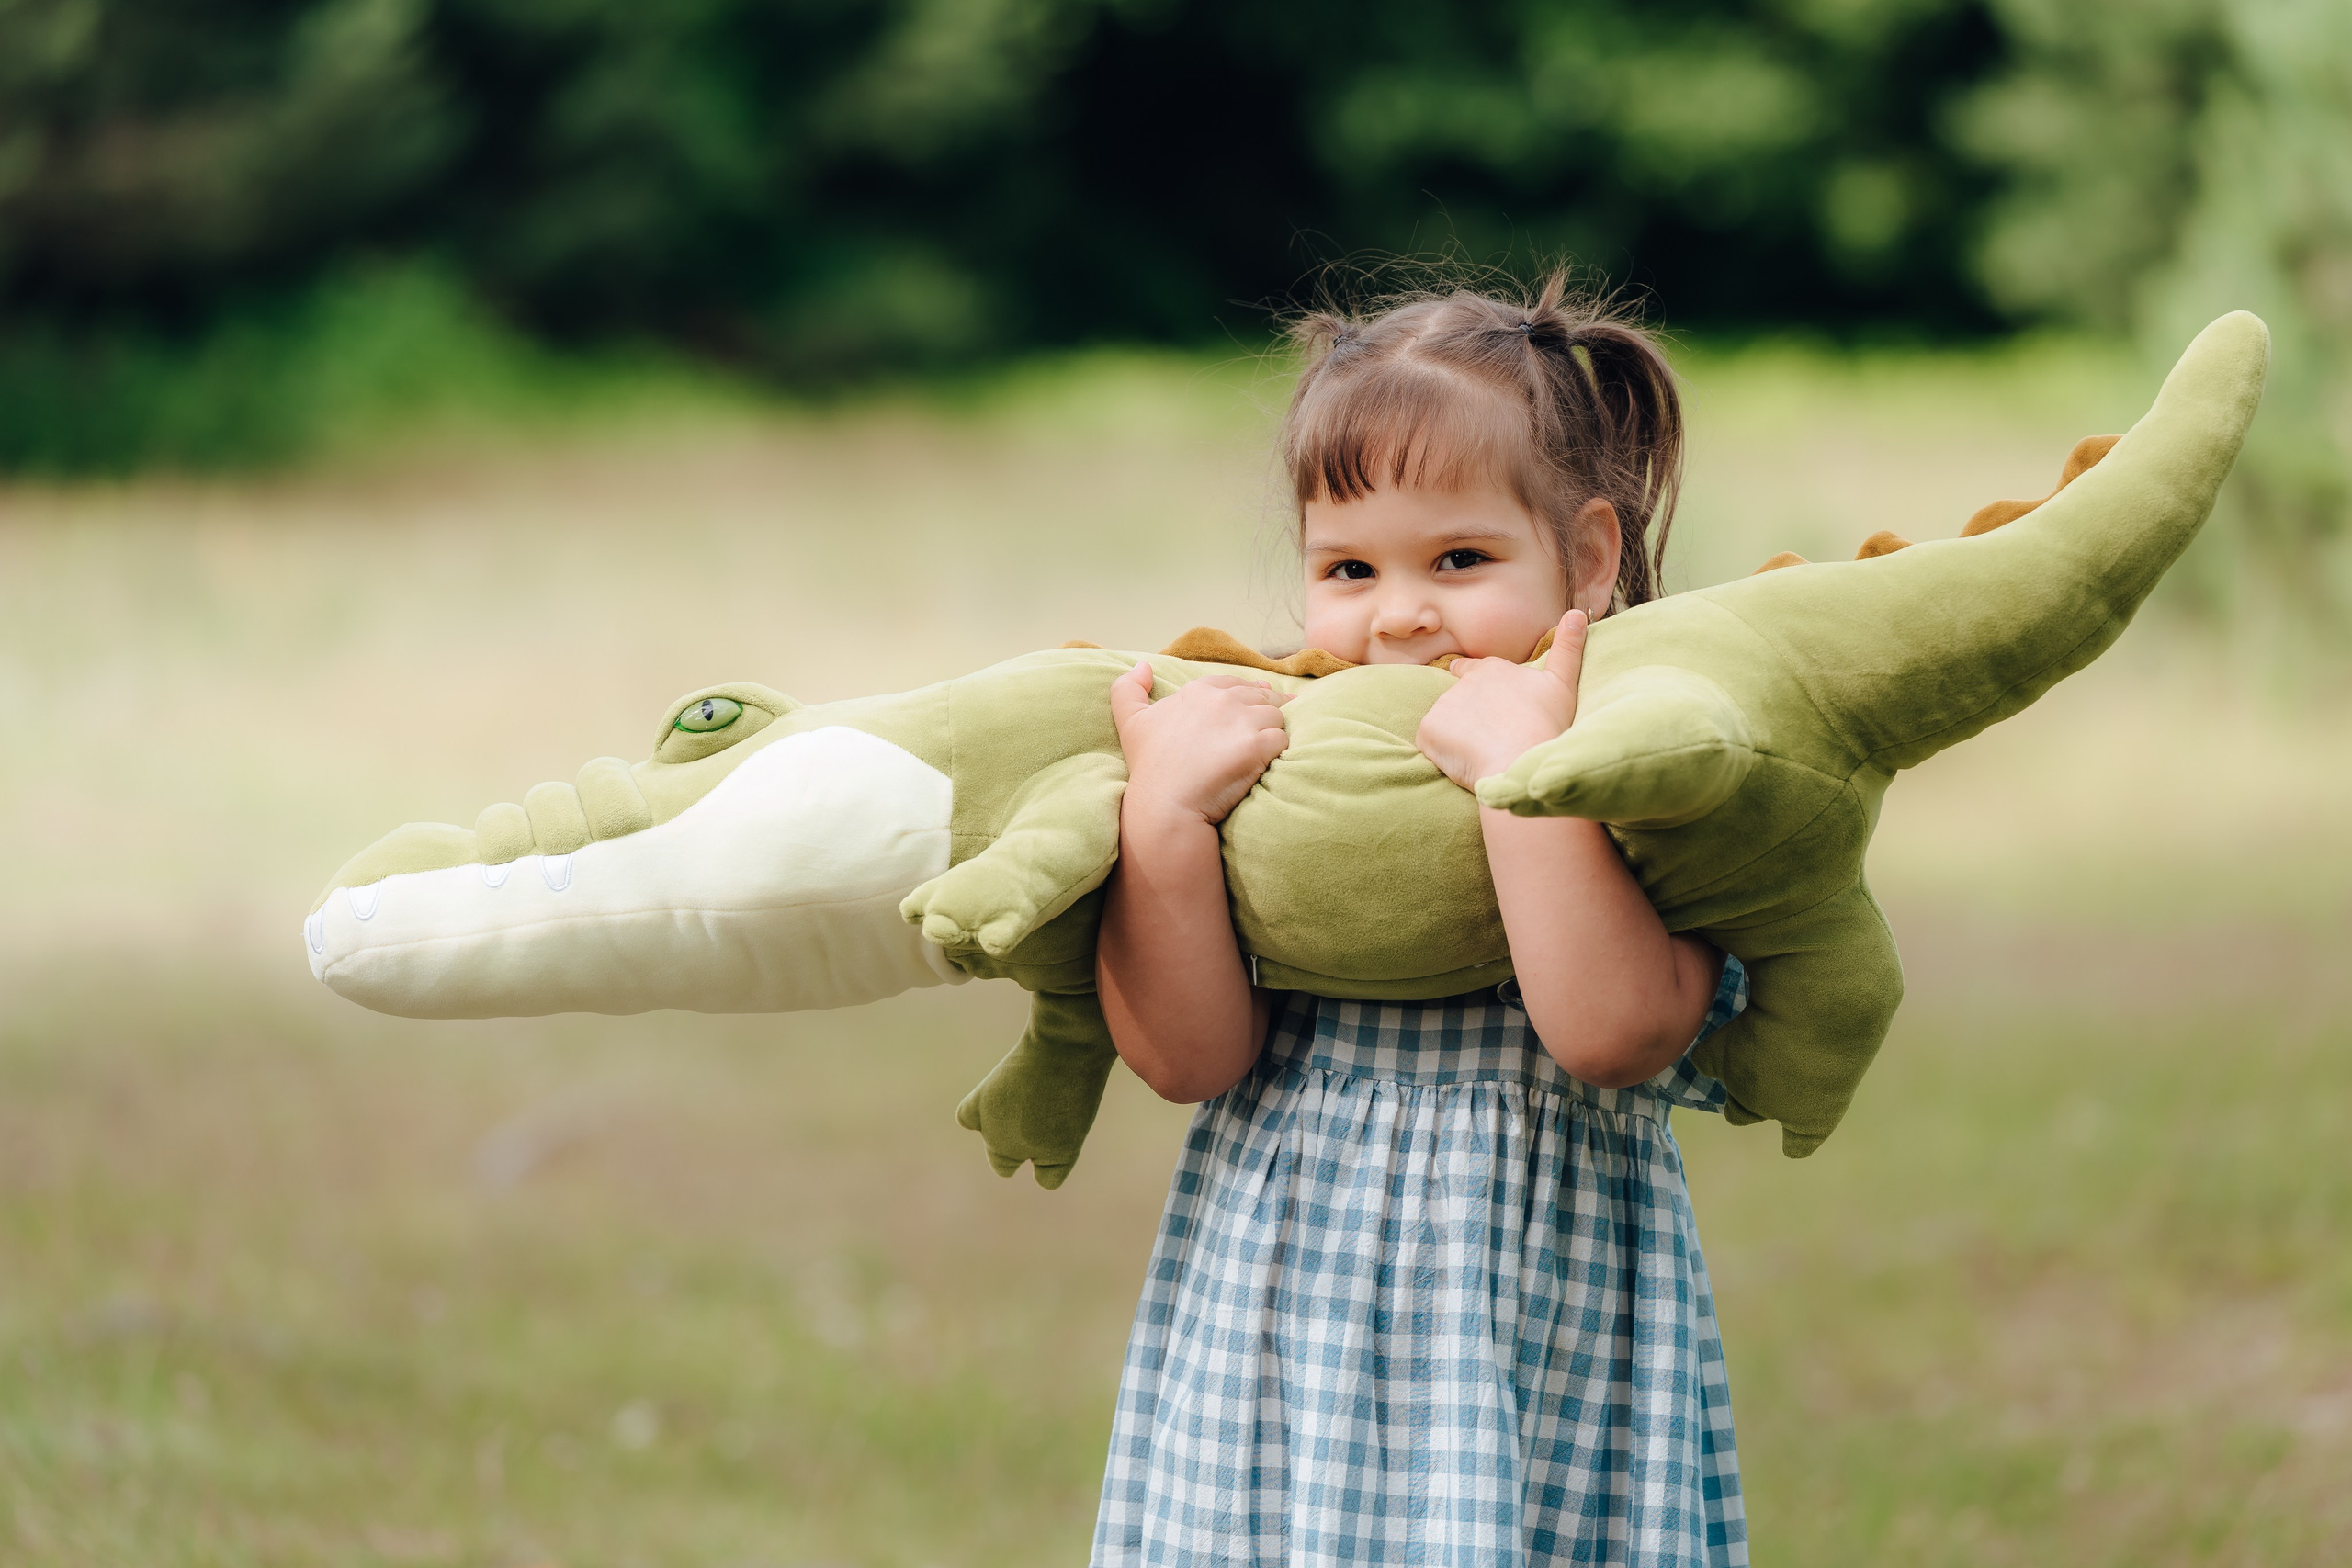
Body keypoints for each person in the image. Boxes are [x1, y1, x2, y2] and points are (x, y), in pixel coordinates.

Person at [1091, 273, 1752, 1567]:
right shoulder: (1291, 785)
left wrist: (1523, 782)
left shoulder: (1638, 769)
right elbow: (1186, 1059)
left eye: (1459, 559)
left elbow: (1612, 1033)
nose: (1397, 613)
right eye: (1348, 568)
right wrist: (1163, 828)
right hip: (1287, 1343)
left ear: (1593, 559)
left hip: (1535, 1342)